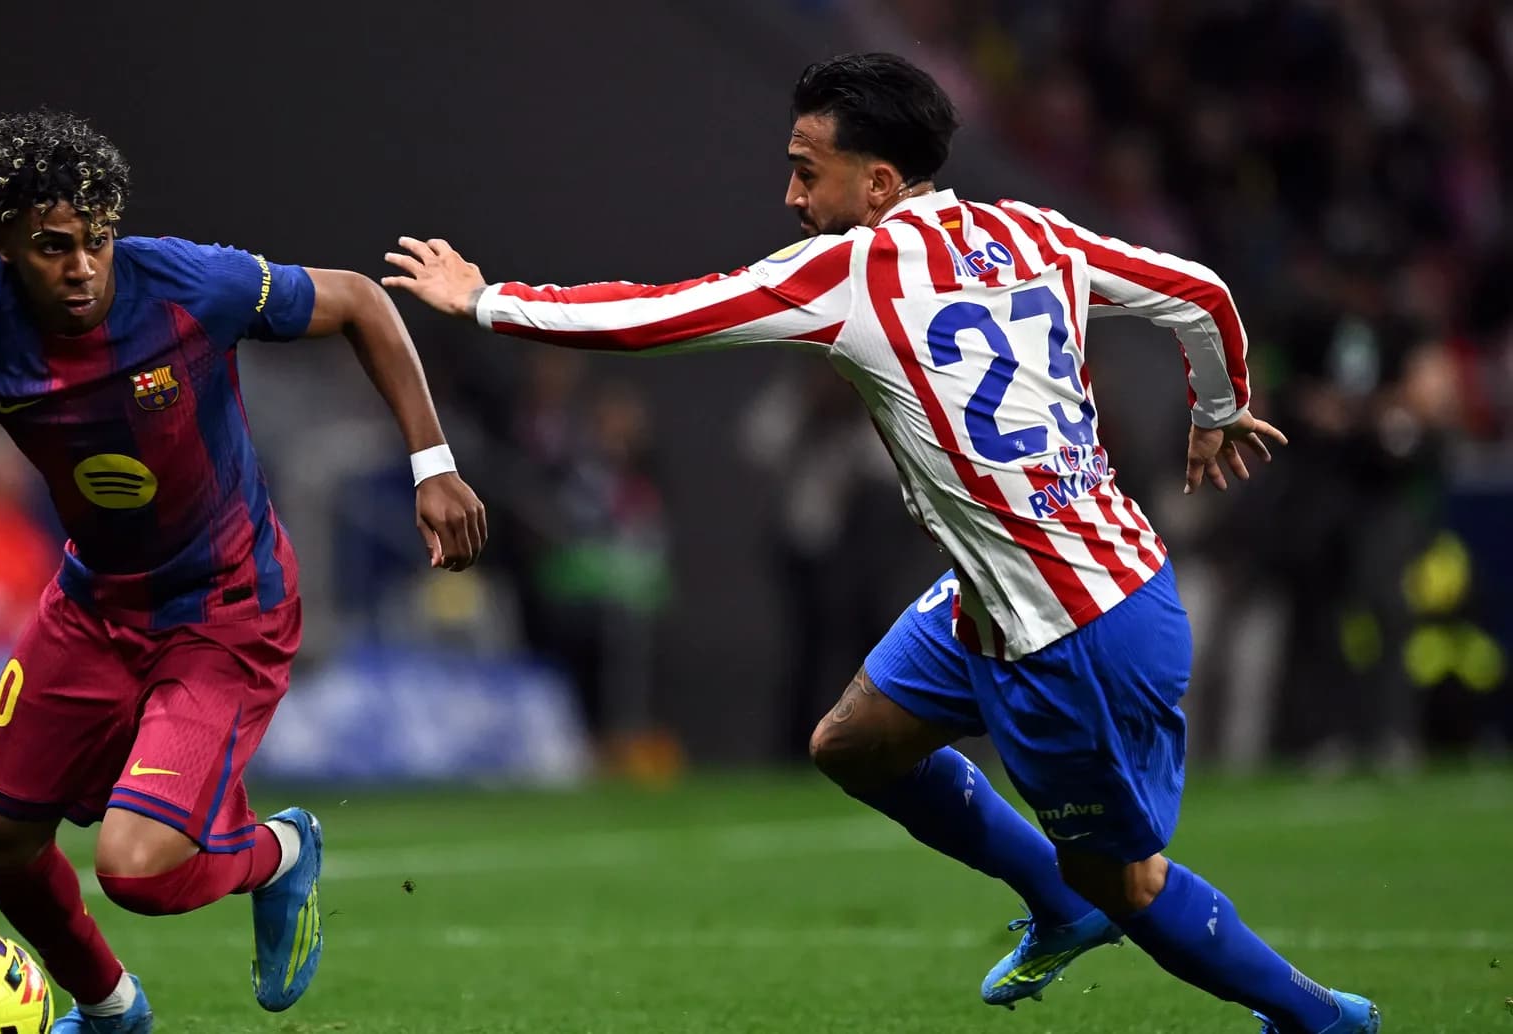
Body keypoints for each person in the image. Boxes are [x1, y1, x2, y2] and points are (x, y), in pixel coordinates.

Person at [381, 53, 1376, 1034]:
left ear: (882, 182)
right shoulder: (1033, 231)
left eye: (806, 170)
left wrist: (484, 298)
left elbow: (656, 315)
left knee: (1127, 880)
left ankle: (1316, 1016)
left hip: (1075, 631)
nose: (789, 193)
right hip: (1002, 594)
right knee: (852, 742)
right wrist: (1221, 405)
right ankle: (1059, 901)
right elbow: (1199, 291)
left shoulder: (852, 268)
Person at [0, 108, 486, 1034]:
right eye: (53, 246)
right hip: (95, 603)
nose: (82, 268)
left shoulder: (183, 282)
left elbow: (358, 300)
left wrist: (433, 466)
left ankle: (279, 849)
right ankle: (111, 1012)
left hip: (225, 609)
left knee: (134, 869)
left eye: (97, 240)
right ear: (3, 244)